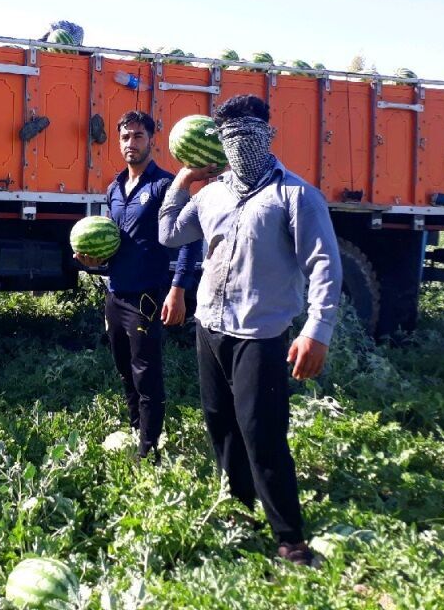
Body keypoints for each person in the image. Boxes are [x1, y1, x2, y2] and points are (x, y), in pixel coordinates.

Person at [158, 94, 342, 567]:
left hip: (260, 333)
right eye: (230, 137)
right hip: (209, 327)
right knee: (220, 422)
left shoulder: (297, 195)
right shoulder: (211, 194)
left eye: (249, 135)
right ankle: (239, 506)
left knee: (262, 432)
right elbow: (169, 234)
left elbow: (323, 264)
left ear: (268, 135)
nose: (240, 146)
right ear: (219, 142)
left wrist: (316, 330)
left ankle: (290, 538)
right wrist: (181, 182)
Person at [76, 110, 201, 461]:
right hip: (115, 294)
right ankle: (137, 429)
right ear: (119, 142)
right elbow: (114, 243)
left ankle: (150, 450)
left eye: (139, 136)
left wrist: (178, 288)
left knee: (146, 373)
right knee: (124, 368)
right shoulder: (114, 188)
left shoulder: (165, 185)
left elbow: (191, 239)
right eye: (125, 137)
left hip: (147, 295)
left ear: (151, 140)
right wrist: (92, 261)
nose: (131, 143)